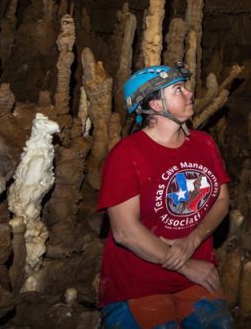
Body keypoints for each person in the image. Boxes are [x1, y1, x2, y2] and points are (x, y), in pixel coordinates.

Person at [97, 63, 234, 328]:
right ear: (157, 106)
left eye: (185, 87)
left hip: (197, 272)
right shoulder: (126, 156)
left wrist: (192, 240)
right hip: (138, 282)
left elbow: (222, 200)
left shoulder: (203, 143)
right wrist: (185, 265)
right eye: (178, 90)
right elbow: (125, 231)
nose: (190, 93)